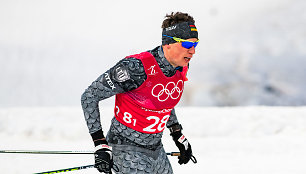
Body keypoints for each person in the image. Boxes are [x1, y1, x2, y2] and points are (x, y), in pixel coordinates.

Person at [81, 11, 199, 174]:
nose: (193, 51)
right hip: (126, 150)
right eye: (187, 45)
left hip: (156, 149)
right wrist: (100, 144)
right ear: (168, 43)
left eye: (195, 44)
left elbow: (164, 99)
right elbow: (89, 96)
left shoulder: (181, 66)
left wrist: (177, 133)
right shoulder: (135, 68)